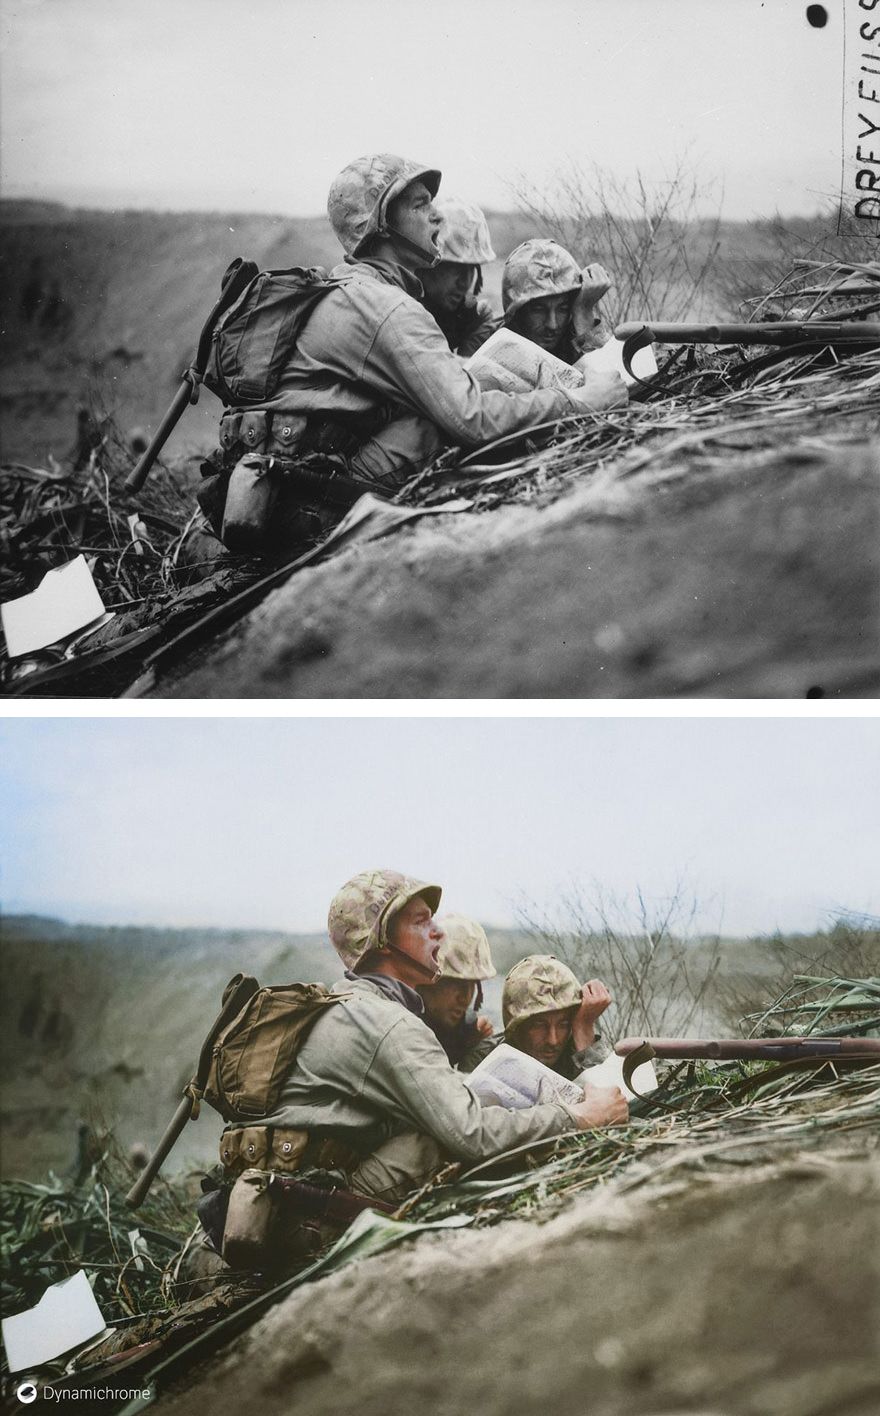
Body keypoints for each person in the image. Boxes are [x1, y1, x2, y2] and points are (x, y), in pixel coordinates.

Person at [219, 154, 626, 501]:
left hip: (301, 484)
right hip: (312, 500)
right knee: (438, 424)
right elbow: (473, 420)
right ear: (381, 225)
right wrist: (582, 402)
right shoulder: (387, 309)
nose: (435, 215)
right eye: (419, 205)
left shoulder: (356, 290)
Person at [221, 871, 628, 1208]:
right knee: (443, 1135)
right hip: (310, 1209)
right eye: (420, 922)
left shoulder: (351, 1003)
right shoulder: (388, 1025)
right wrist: (579, 1118)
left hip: (293, 1194)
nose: (437, 933)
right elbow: (472, 1135)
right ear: (381, 941)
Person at [461, 954, 612, 1081]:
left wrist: (584, 1028)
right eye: (539, 1025)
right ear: (517, 1026)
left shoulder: (576, 1056)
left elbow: (608, 1100)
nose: (553, 1040)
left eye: (563, 1025)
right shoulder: (485, 1059)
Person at [502, 238, 612, 367]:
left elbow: (608, 380)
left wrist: (583, 312)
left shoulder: (571, 341)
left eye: (563, 309)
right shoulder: (494, 348)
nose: (552, 325)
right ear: (517, 313)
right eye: (539, 310)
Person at [420, 197, 501, 356]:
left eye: (472, 268)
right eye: (455, 269)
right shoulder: (402, 311)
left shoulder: (471, 316)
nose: (465, 282)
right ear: (427, 264)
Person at [416, 912, 496, 1064]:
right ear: (427, 978)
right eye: (454, 983)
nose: (465, 997)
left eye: (472, 984)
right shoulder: (401, 1027)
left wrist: (471, 1046)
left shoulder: (465, 1032)